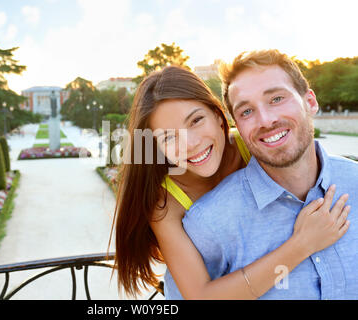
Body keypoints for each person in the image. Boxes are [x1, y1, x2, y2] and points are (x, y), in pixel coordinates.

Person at [110, 65, 350, 299]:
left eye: (196, 121)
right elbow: (200, 296)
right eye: (169, 137)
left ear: (218, 115)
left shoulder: (252, 145)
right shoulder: (164, 201)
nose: (191, 143)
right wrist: (302, 244)